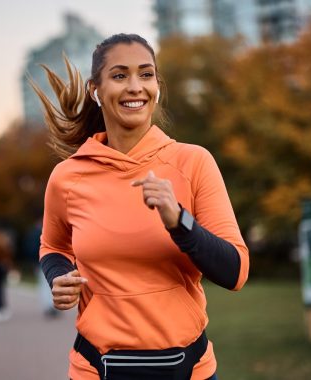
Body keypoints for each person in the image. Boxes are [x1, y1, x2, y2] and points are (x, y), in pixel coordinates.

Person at [33, 34, 249, 380]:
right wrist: (59, 277)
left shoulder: (194, 163)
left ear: (157, 86)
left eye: (146, 75)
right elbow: (53, 246)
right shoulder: (67, 177)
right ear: (96, 90)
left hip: (188, 370)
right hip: (94, 368)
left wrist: (179, 221)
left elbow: (236, 272)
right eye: (120, 76)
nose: (135, 87)